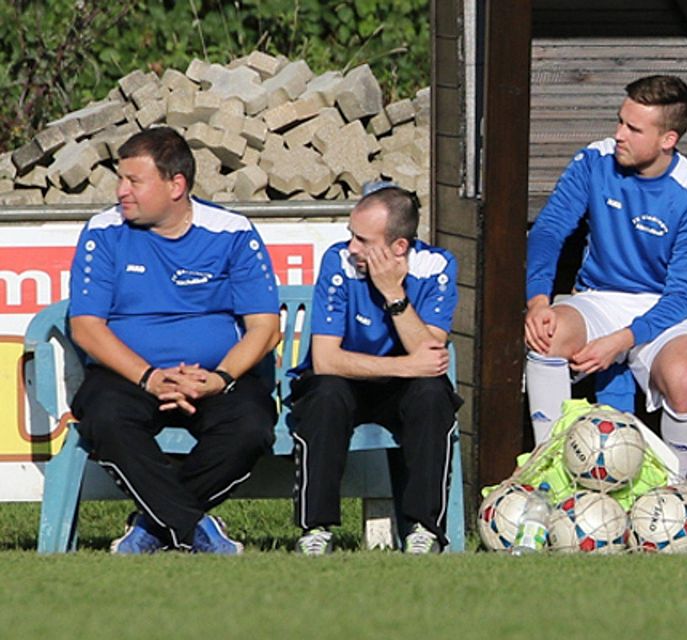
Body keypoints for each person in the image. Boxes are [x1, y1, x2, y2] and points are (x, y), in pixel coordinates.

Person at [68, 126, 281, 554]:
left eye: (134, 181)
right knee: (106, 419)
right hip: (128, 377)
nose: (121, 191)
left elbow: (265, 327)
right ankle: (192, 526)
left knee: (251, 426)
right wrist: (149, 377)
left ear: (176, 185)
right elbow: (86, 327)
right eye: (120, 179)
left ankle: (153, 527)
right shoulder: (103, 231)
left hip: (214, 378)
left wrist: (219, 378)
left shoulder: (232, 231)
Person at [524, 74, 687, 479]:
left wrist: (621, 341)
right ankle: (549, 472)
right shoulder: (594, 160)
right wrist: (538, 300)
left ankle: (672, 490)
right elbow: (549, 230)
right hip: (599, 297)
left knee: (685, 379)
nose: (619, 135)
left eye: (633, 128)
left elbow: (683, 296)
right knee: (546, 334)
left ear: (668, 139)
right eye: (620, 121)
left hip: (669, 312)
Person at [288, 184, 460, 555]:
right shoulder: (338, 261)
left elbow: (429, 356)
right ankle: (315, 530)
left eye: (363, 240)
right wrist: (406, 365)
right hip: (344, 381)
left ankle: (424, 530)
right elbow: (326, 360)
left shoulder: (437, 266)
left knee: (432, 396)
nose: (352, 247)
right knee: (325, 394)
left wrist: (393, 294)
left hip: (402, 388)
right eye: (351, 235)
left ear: (399, 247)